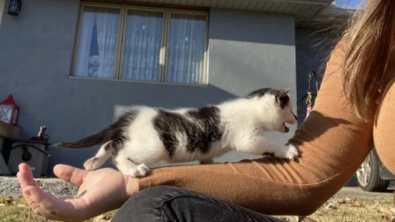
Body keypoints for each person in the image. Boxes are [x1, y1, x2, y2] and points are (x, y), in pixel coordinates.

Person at [17, 0, 395, 221]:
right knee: (155, 209)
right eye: (289, 113)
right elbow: (304, 175)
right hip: (163, 140)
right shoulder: (372, 41)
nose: (292, 120)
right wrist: (133, 184)